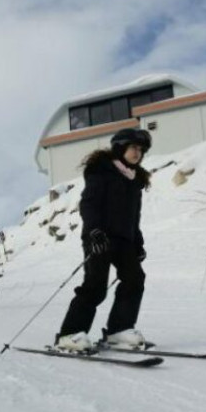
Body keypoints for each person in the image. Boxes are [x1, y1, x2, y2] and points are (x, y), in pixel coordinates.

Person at [55, 128, 152, 352]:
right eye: (133, 147)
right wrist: (94, 231)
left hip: (124, 240)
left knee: (135, 279)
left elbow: (133, 217)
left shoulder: (134, 180)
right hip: (99, 237)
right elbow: (88, 204)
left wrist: (137, 243)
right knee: (96, 286)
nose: (137, 153)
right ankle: (69, 335)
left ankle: (119, 330)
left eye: (141, 149)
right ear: (120, 148)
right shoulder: (102, 171)